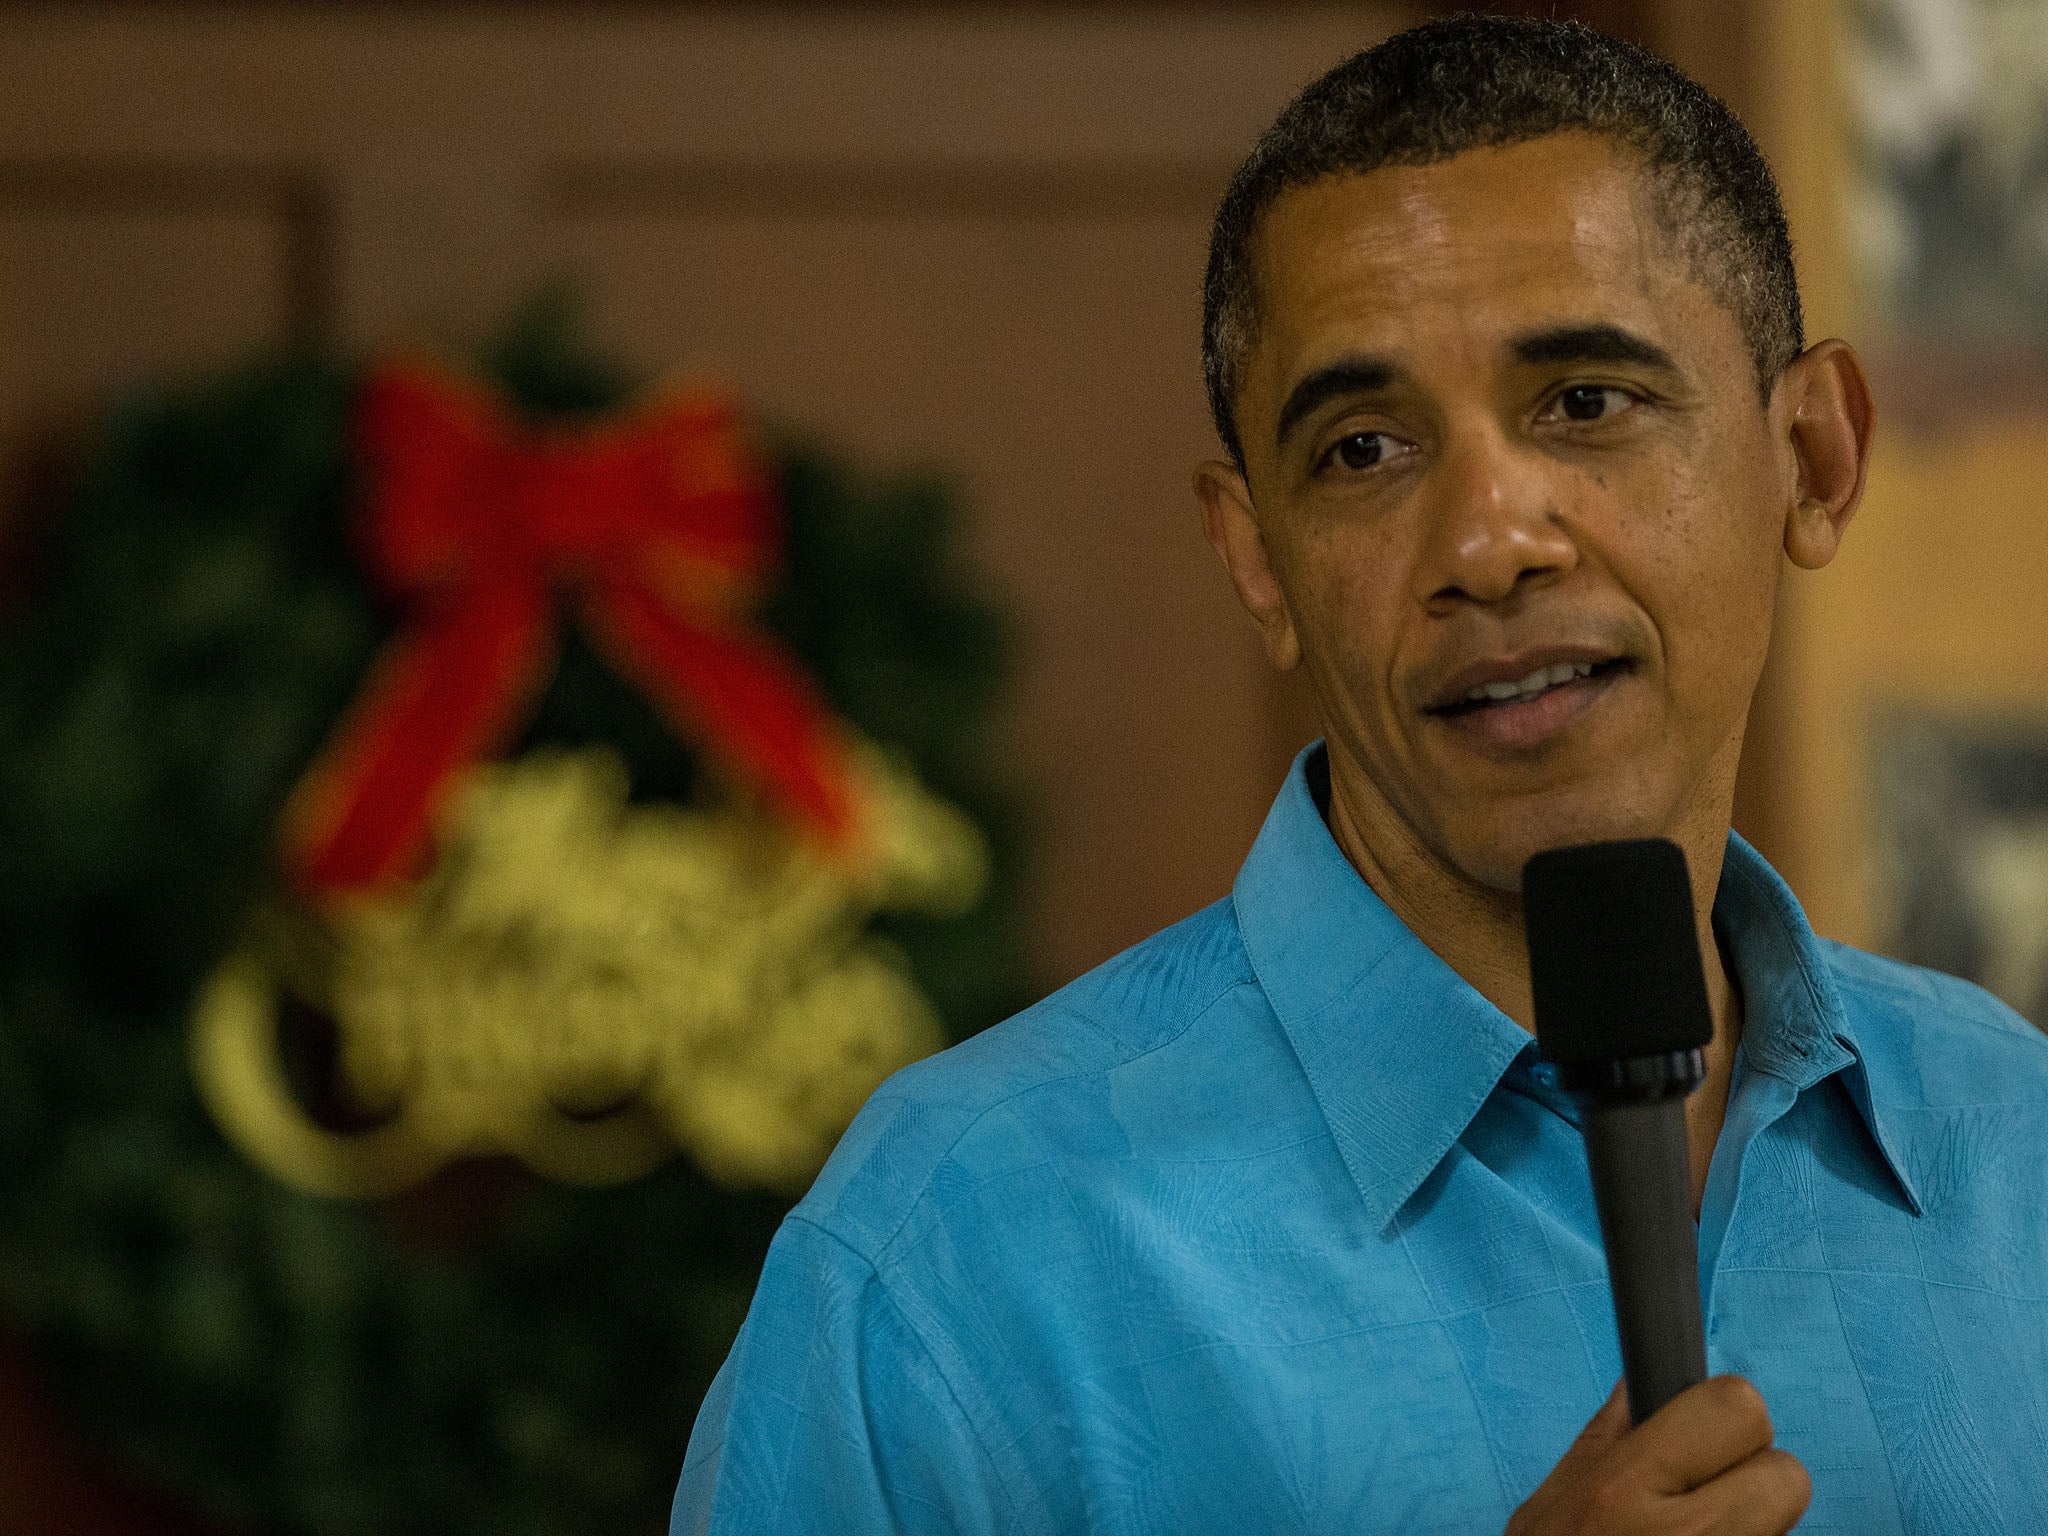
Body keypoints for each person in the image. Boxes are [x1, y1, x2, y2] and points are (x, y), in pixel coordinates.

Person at [673, 15, 2048, 1533]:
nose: (1486, 544)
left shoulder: (2019, 1144)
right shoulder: (957, 1261)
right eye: (1363, 452)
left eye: (1586, 403)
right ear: (1256, 561)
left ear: (1816, 456)